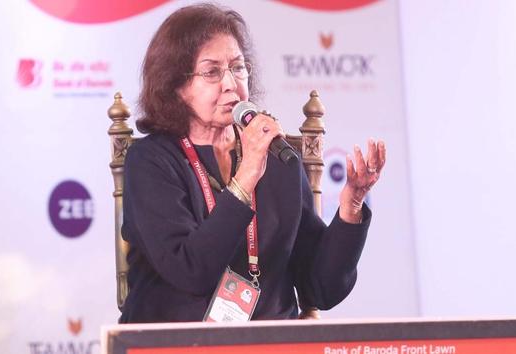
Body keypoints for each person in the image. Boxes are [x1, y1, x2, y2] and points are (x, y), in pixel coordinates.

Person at [119, 3, 386, 323]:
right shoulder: (151, 162)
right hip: (178, 340)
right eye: (212, 71)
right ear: (175, 86)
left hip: (270, 340)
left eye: (238, 67)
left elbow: (320, 288)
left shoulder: (278, 159)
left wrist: (351, 207)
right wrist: (246, 176)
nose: (231, 83)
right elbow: (191, 271)